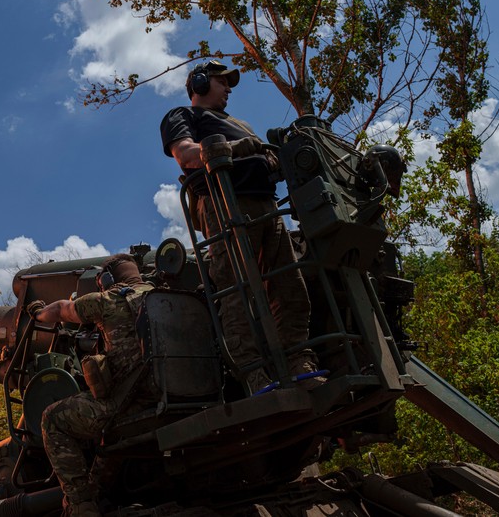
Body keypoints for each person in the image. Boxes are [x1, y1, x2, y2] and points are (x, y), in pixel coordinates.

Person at [159, 60, 314, 394]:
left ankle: (298, 362)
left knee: (290, 286)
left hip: (266, 207)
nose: (228, 88)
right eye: (221, 82)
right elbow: (186, 155)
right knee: (237, 292)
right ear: (199, 84)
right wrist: (230, 148)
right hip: (225, 205)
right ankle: (255, 375)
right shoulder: (182, 116)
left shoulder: (240, 123)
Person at [36, 254, 156, 517]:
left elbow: (60, 311)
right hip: (167, 397)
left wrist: (38, 312)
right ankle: (104, 492)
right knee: (107, 437)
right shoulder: (162, 295)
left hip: (130, 402)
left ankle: (82, 506)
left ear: (108, 280)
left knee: (52, 419)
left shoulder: (109, 300)